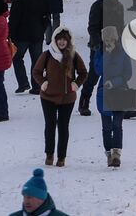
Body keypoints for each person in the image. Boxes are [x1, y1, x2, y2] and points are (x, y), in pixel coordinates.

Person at [33, 28, 87, 167]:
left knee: (63, 127)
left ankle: (61, 157)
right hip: (48, 97)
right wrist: (43, 83)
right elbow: (36, 71)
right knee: (50, 126)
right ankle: (49, 154)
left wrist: (76, 84)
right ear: (55, 40)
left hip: (67, 98)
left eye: (65, 39)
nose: (62, 42)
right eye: (59, 39)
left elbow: (83, 72)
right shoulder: (47, 55)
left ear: (68, 41)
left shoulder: (73, 55)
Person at [78, 0, 124, 117]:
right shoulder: (98, 5)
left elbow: (120, 26)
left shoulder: (119, 6)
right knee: (94, 74)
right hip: (99, 47)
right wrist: (99, 43)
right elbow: (92, 27)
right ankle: (84, 101)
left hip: (115, 46)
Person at [96, 25, 132, 168]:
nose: (109, 41)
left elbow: (127, 74)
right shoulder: (100, 52)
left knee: (117, 124)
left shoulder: (123, 53)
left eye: (112, 39)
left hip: (119, 91)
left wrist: (115, 82)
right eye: (107, 39)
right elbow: (98, 70)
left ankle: (116, 154)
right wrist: (107, 55)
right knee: (106, 126)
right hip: (103, 92)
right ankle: (108, 154)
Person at [10, 0, 49, 94]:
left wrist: (11, 33)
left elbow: (14, 18)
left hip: (21, 35)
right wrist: (42, 29)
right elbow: (47, 16)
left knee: (17, 58)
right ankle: (37, 86)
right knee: (37, 61)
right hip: (37, 34)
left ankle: (23, 83)